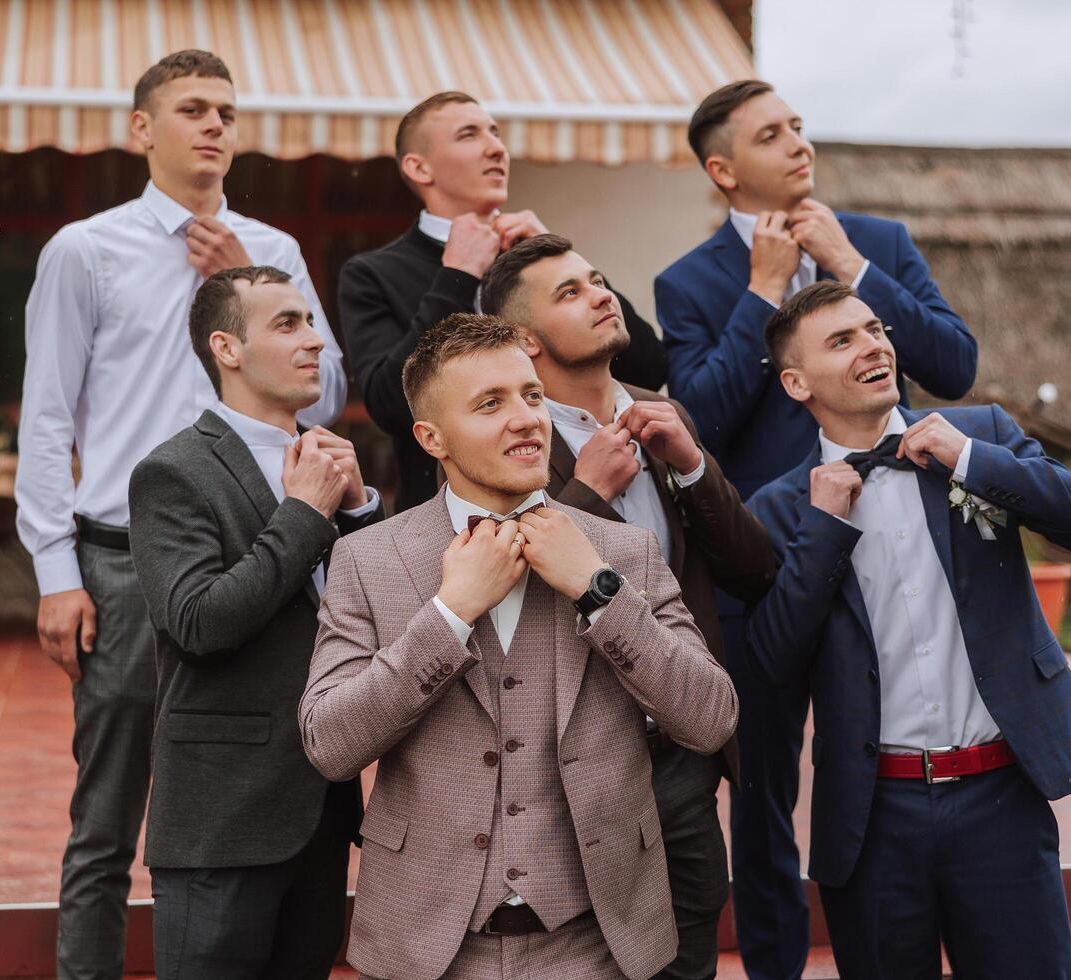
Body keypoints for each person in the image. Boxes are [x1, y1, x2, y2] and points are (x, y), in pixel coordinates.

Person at [13, 50, 347, 979]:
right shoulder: (86, 248)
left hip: (270, 547)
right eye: (192, 108)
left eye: (227, 112)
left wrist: (243, 272)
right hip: (122, 561)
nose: (214, 126)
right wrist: (55, 574)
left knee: (266, 784)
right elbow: (45, 418)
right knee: (107, 814)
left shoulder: (271, 251)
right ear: (141, 129)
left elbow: (327, 398)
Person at [653, 78, 979, 980]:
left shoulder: (878, 243)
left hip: (904, 542)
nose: (799, 143)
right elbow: (701, 423)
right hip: (768, 562)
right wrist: (759, 297)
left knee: (892, 745)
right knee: (760, 789)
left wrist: (856, 274)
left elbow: (953, 364)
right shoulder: (690, 283)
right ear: (724, 170)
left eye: (798, 125)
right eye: (771, 134)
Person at [298, 314, 737, 980]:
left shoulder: (623, 552)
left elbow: (709, 717)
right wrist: (449, 614)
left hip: (599, 941)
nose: (527, 418)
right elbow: (330, 744)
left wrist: (598, 591)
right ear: (431, 437)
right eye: (491, 403)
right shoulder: (368, 559)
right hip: (428, 945)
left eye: (532, 395)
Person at [746, 280, 1071, 979]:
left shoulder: (980, 436)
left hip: (1001, 801)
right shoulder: (777, 508)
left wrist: (975, 464)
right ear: (797, 382)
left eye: (875, 329)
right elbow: (771, 661)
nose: (873, 345)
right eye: (843, 340)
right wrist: (824, 529)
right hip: (871, 817)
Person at [480, 234, 774, 980]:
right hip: (560, 770)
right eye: (571, 293)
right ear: (523, 338)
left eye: (599, 281)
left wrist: (694, 466)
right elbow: (493, 596)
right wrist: (585, 496)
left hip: (678, 759)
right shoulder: (499, 438)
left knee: (688, 954)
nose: (602, 295)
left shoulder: (660, 412)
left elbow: (754, 570)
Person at [128, 266, 380, 978]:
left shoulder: (332, 463)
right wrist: (302, 514)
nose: (315, 341)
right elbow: (199, 622)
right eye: (288, 324)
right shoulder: (173, 473)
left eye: (312, 322)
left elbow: (378, 621)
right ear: (226, 349)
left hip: (323, 812)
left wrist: (359, 515)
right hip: (223, 819)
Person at [338, 90, 666, 511]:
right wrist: (456, 276)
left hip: (585, 488)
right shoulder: (371, 274)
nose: (496, 147)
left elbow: (648, 367)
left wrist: (557, 259)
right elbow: (391, 408)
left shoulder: (535, 253)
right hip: (448, 517)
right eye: (469, 135)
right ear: (419, 167)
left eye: (495, 133)